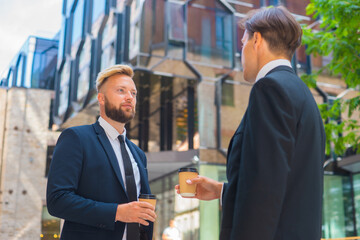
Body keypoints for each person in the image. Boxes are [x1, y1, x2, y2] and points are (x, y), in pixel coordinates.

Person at [175, 6, 325, 240]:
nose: (240, 53)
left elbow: (264, 190)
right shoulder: (303, 94)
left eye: (243, 43)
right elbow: (280, 182)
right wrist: (222, 191)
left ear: (257, 40)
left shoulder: (269, 89)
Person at [47, 64, 156, 240]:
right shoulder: (76, 138)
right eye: (121, 90)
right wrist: (117, 213)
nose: (129, 97)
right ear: (101, 98)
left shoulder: (138, 154)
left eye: (133, 93)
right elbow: (57, 200)